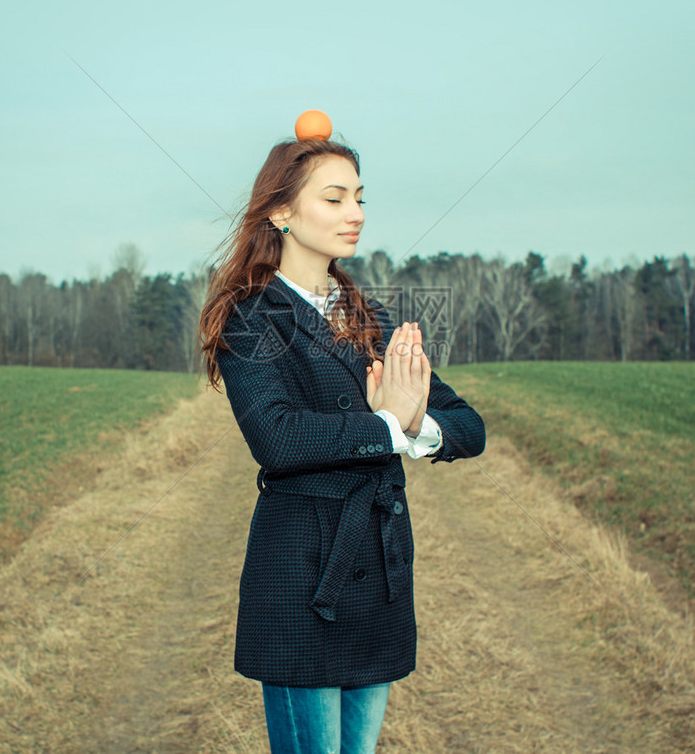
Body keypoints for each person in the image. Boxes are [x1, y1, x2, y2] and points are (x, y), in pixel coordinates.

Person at [198, 124, 486, 754]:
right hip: (304, 575)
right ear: (280, 210)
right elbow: (277, 438)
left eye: (359, 196)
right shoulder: (250, 316)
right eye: (334, 198)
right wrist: (387, 426)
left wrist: (414, 424)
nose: (355, 213)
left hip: (380, 576)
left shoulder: (373, 318)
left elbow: (468, 426)